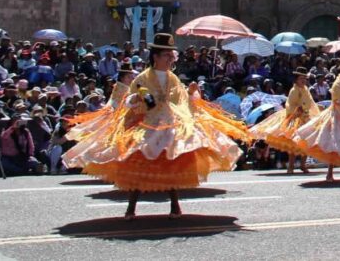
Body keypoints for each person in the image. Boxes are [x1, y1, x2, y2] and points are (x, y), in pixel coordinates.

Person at [65, 33, 241, 219]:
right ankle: (131, 208)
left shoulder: (173, 78)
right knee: (140, 166)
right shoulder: (142, 78)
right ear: (155, 56)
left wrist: (190, 93)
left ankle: (174, 206)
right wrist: (136, 100)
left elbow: (181, 102)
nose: (170, 59)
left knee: (171, 162)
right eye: (166, 55)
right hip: (147, 124)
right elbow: (132, 104)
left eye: (171, 56)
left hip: (170, 124)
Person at [249, 67, 318, 174]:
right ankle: (291, 166)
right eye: (301, 78)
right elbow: (289, 104)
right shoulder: (294, 90)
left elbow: (310, 103)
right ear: (296, 80)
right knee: (293, 144)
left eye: (305, 78)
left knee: (306, 142)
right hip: (294, 118)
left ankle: (303, 165)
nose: (303, 81)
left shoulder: (306, 90)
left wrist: (304, 108)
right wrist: (296, 110)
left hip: (305, 117)